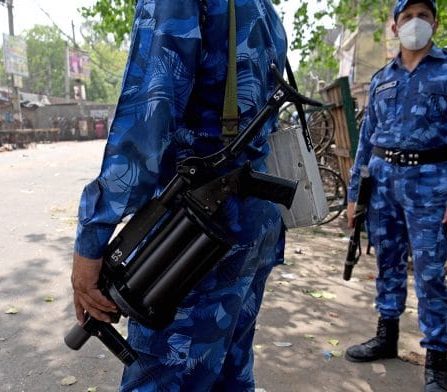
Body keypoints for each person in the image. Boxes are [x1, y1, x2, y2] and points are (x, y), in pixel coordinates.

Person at [70, 0, 289, 389]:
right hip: (251, 222)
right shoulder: (263, 8)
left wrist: (92, 238)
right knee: (227, 376)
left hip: (196, 237)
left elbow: (147, 126)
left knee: (166, 378)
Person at [345, 1, 447, 391]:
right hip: (383, 179)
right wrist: (355, 194)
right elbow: (366, 141)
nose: (415, 23)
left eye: (423, 16)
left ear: (435, 23)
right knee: (388, 262)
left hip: (431, 180)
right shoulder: (381, 78)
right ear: (394, 26)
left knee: (429, 272)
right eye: (407, 16)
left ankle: (436, 359)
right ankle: (386, 336)